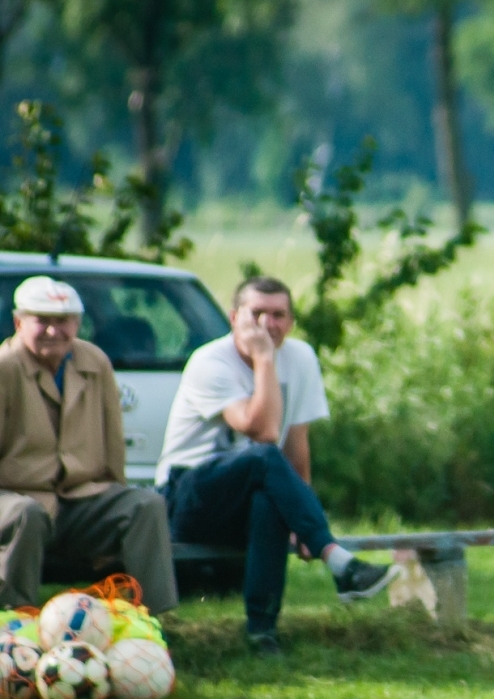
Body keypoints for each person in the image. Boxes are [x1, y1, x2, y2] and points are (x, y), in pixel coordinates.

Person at [156, 276, 398, 652]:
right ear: (234, 318)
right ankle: (336, 559)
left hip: (246, 495)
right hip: (186, 496)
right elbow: (265, 431)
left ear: (291, 321)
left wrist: (301, 517)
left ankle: (262, 632)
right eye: (257, 314)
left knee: (268, 502)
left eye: (278, 315)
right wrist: (265, 358)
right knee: (264, 457)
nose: (268, 324)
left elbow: (296, 444)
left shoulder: (301, 358)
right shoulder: (210, 361)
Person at [0, 276, 178, 611]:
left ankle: (152, 620)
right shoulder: (5, 367)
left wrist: (114, 488)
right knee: (26, 514)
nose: (53, 331)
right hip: (13, 499)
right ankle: (14, 620)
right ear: (18, 322)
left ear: (78, 324)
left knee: (145, 505)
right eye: (42, 321)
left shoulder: (94, 362)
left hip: (77, 497)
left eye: (63, 321)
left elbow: (112, 444)